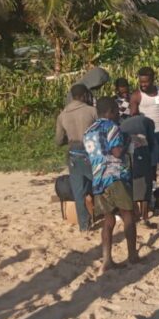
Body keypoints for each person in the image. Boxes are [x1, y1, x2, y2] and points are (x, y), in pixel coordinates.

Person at [83, 97, 138, 273]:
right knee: (128, 215)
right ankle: (132, 256)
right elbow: (116, 151)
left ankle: (107, 260)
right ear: (111, 111)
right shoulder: (112, 127)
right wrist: (128, 140)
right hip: (115, 176)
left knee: (108, 220)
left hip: (98, 179)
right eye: (116, 111)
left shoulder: (88, 131)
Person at [55, 84, 98, 232]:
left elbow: (59, 140)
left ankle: (84, 225)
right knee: (100, 184)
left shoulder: (62, 115)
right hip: (90, 151)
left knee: (78, 191)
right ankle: (105, 214)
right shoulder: (92, 111)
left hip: (73, 153)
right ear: (84, 95)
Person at [130, 67, 159, 180]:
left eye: (146, 82)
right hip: (148, 135)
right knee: (151, 163)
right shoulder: (137, 95)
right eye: (141, 82)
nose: (143, 85)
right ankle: (152, 187)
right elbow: (133, 116)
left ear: (152, 80)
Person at [119, 113, 157, 224]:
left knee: (131, 180)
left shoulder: (124, 123)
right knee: (145, 181)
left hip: (126, 148)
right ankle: (144, 216)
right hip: (140, 145)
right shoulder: (149, 121)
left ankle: (134, 213)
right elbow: (151, 141)